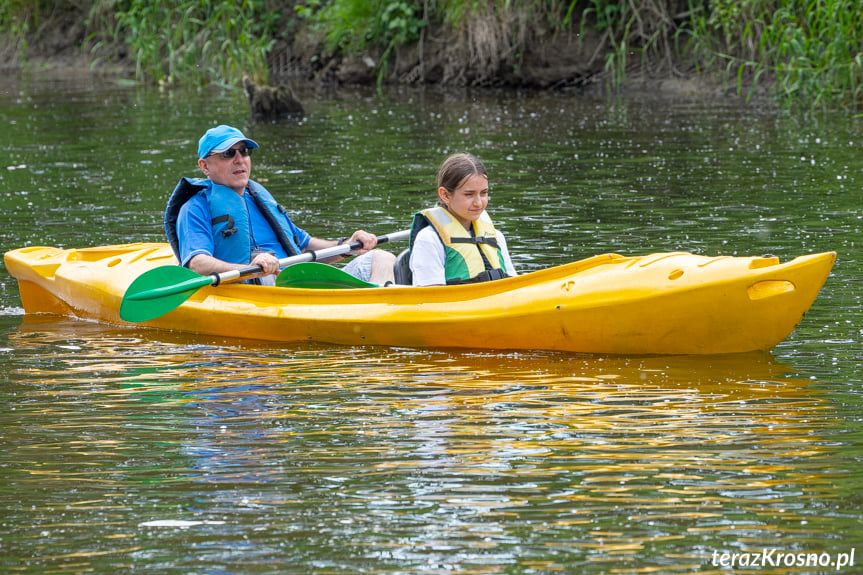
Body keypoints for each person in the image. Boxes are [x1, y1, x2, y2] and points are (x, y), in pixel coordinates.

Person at [164, 124, 395, 285]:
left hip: (299, 283)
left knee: (382, 258)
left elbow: (304, 246)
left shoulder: (259, 198)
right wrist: (249, 268)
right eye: (227, 153)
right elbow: (197, 264)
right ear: (205, 166)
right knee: (267, 276)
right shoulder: (194, 208)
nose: (239, 159)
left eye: (244, 152)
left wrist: (347, 244)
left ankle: (382, 309)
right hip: (260, 289)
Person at [408, 153, 517, 286]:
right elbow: (431, 298)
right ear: (445, 195)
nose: (478, 203)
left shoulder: (497, 237)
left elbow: (512, 285)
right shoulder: (428, 240)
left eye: (484, 193)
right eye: (469, 194)